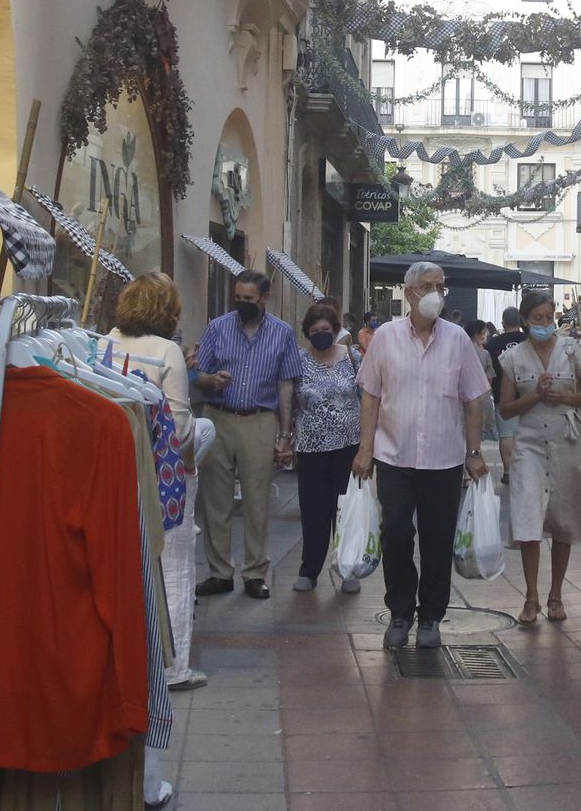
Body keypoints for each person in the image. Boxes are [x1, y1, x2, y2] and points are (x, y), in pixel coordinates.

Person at [105, 272, 207, 809]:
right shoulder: (168, 351)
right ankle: (172, 662)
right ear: (167, 309)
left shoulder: (100, 343)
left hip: (110, 472)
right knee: (171, 564)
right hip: (161, 475)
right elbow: (182, 427)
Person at [352, 262, 491, 650]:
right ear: (409, 291)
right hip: (394, 455)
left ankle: (431, 615)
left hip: (444, 459)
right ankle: (400, 612)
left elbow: (473, 399)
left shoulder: (458, 340)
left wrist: (474, 452)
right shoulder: (385, 338)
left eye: (441, 287)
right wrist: (365, 449)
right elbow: (371, 395)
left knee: (437, 539)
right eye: (428, 286)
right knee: (395, 532)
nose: (436, 293)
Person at [193, 269, 302, 600]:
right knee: (215, 500)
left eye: (249, 299)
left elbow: (286, 386)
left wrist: (284, 434)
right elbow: (198, 372)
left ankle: (255, 573)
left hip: (259, 419)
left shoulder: (282, 334)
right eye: (238, 298)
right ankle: (219, 571)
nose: (242, 304)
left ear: (265, 298)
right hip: (218, 416)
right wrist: (210, 380)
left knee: (256, 500)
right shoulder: (217, 327)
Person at [497, 291, 581, 625]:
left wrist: (567, 397)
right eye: (538, 318)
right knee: (528, 519)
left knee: (562, 519)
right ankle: (531, 596)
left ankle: (556, 594)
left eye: (549, 317)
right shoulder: (513, 358)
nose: (544, 324)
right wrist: (535, 396)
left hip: (565, 441)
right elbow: (506, 407)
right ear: (526, 320)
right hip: (528, 444)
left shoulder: (572, 351)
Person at [291, 303, 363, 593]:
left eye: (325, 330)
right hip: (311, 447)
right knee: (313, 509)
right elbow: (289, 395)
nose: (320, 334)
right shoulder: (298, 360)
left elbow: (365, 395)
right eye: (315, 330)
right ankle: (310, 569)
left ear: (335, 330)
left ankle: (348, 568)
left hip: (348, 445)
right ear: (307, 332)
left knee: (345, 508)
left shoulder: (352, 356)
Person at [484, 307, 527, 485]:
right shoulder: (528, 340)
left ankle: (508, 471)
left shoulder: (493, 344)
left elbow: (490, 371)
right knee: (526, 434)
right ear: (520, 322)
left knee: (506, 435)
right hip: (528, 394)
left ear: (503, 323)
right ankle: (524, 471)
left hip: (503, 394)